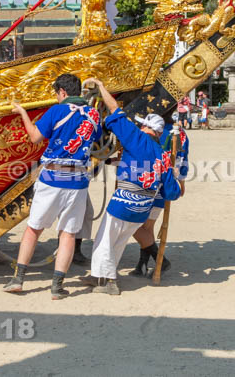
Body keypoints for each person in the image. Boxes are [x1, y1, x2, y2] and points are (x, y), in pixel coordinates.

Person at [2, 74, 102, 299]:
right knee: (68, 234)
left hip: (53, 177)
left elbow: (35, 137)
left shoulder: (57, 110)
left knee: (34, 229)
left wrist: (23, 113)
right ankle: (57, 287)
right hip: (78, 180)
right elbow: (96, 138)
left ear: (62, 92)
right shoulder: (93, 114)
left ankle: (18, 279)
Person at [79, 78, 179, 295]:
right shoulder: (163, 156)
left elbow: (114, 110)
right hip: (143, 208)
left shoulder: (136, 138)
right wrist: (176, 177)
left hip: (124, 201)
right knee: (118, 241)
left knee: (105, 240)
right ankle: (100, 276)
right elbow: (172, 192)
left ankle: (109, 282)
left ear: (145, 127)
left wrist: (102, 87)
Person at [132, 119, 189, 276]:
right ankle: (142, 264)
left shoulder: (148, 130)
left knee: (134, 226)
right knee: (146, 228)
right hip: (165, 185)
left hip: (146, 184)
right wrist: (181, 183)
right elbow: (183, 161)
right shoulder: (181, 133)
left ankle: (160, 261)